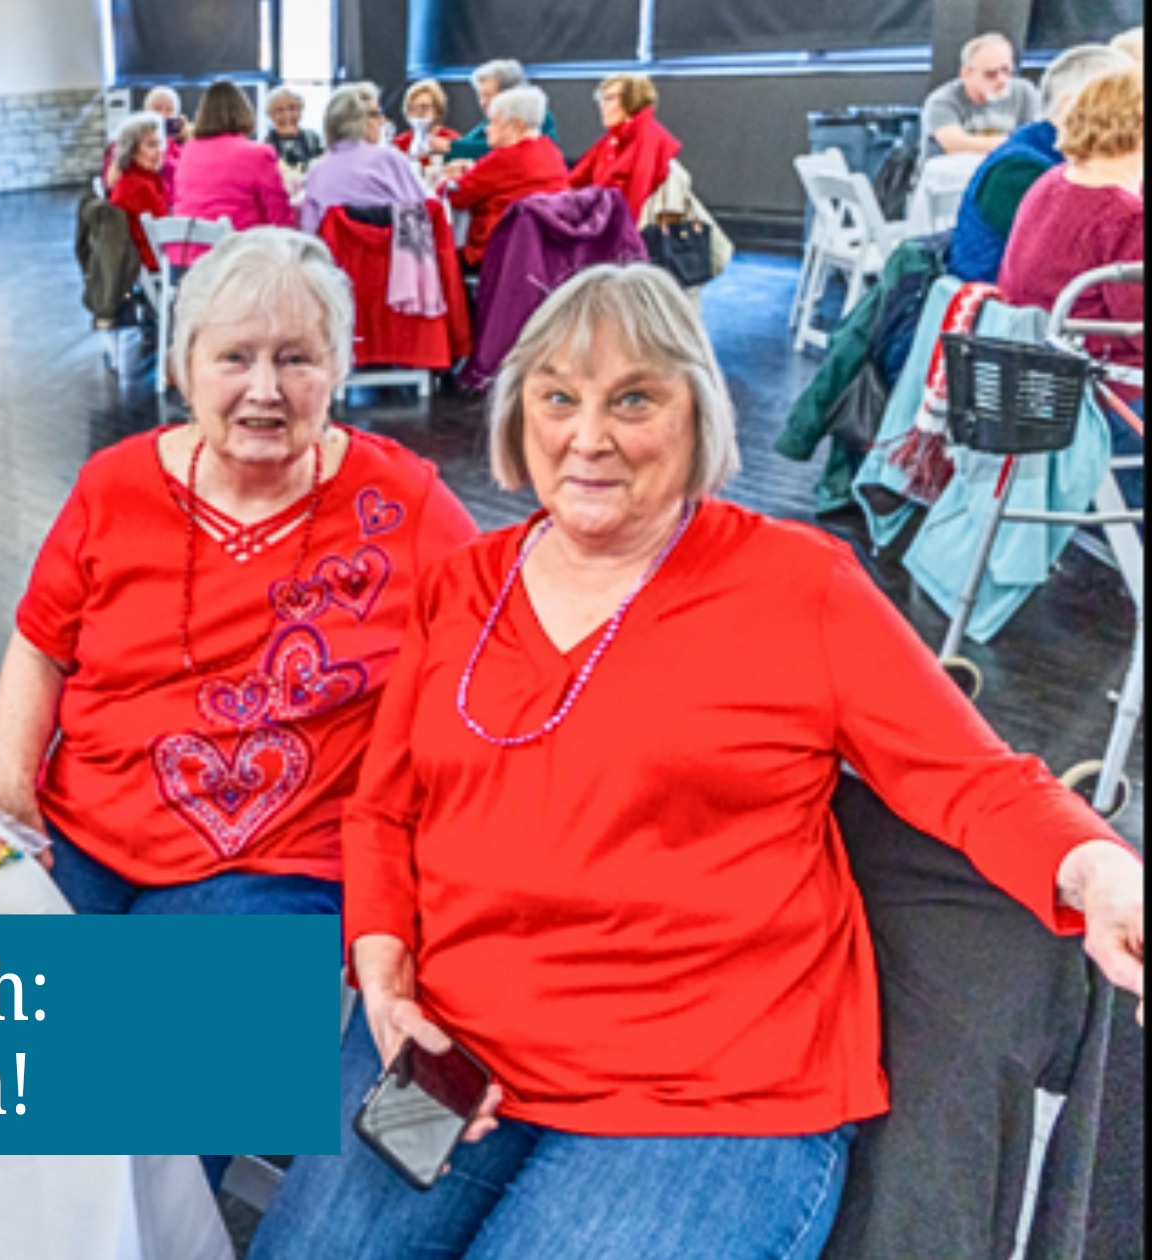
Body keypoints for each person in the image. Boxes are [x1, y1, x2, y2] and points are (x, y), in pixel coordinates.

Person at [251, 264, 1146, 1260]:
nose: (586, 436)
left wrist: (1095, 867)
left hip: (709, 1090)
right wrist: (381, 977)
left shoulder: (797, 587)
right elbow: (382, 811)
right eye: (557, 397)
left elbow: (968, 777)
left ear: (694, 414)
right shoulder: (460, 585)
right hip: (453, 1046)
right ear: (519, 415)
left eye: (632, 398)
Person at [0, 227, 474, 923]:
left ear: (338, 367)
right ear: (185, 367)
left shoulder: (405, 504)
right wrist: (9, 792)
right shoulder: (113, 486)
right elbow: (40, 647)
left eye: (296, 358)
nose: (265, 390)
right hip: (81, 837)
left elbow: (500, 650)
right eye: (234, 358)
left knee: (171, 1030)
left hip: (278, 866)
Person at [999, 66, 1143, 371]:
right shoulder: (1125, 216)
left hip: (1033, 366)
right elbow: (1139, 331)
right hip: (1102, 381)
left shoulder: (1051, 182)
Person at [950, 44, 1133, 284]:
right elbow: (1079, 263)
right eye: (1123, 108)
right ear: (1070, 106)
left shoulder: (1044, 158)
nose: (1133, 121)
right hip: (1009, 315)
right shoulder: (1017, 172)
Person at [437, 86, 570, 268]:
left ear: (516, 126)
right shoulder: (550, 151)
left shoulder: (504, 158)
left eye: (493, 122)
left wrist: (445, 179)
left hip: (497, 253)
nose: (487, 130)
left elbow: (454, 196)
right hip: (542, 252)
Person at [170, 79, 295, 248]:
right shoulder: (259, 154)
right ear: (244, 112)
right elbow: (281, 219)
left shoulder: (187, 152)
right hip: (237, 259)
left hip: (186, 260)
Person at [298, 88, 434, 235]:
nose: (382, 121)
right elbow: (424, 214)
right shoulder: (392, 160)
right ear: (358, 121)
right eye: (376, 114)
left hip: (337, 255)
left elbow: (309, 230)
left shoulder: (318, 171)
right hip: (393, 255)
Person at [568, 73, 681, 220]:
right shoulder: (613, 139)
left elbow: (638, 196)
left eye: (609, 98)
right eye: (601, 99)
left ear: (632, 100)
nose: (602, 105)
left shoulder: (647, 137)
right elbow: (575, 180)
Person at [921, 33, 1041, 161]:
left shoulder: (1024, 93)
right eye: (990, 74)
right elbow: (955, 145)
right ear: (966, 74)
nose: (1001, 80)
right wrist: (1018, 143)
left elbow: (1036, 138)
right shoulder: (942, 101)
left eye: (1006, 70)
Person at [442, 60, 557, 163]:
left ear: (510, 93)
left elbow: (497, 148)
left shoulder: (536, 116)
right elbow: (469, 141)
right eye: (480, 96)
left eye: (488, 95)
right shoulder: (495, 119)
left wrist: (449, 147)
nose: (483, 103)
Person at [107, 112, 170, 273]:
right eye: (151, 145)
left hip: (149, 253)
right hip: (154, 259)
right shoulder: (138, 186)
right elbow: (166, 228)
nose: (159, 151)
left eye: (159, 144)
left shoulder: (138, 178)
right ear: (132, 150)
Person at [265, 88, 324, 174]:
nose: (287, 114)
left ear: (300, 110)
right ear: (271, 115)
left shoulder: (313, 137)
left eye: (292, 108)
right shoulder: (266, 143)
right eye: (280, 110)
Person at [397, 79, 459, 159]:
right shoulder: (399, 143)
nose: (418, 113)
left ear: (437, 109)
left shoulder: (452, 140)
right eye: (412, 108)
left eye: (424, 107)